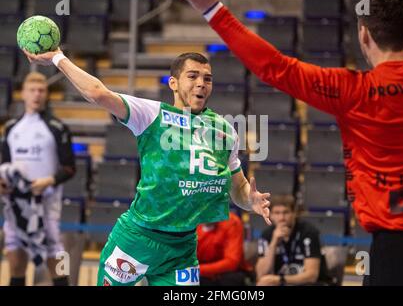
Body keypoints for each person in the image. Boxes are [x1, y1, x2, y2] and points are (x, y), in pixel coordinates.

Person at [178, 0, 403, 285]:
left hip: (396, 246)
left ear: (364, 35)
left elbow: (274, 68)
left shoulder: (353, 90)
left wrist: (213, 9)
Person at [23, 50, 271, 286]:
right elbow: (97, 92)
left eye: (207, 78)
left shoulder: (225, 129)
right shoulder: (152, 114)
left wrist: (250, 201)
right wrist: (58, 57)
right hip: (138, 238)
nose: (201, 83)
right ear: (173, 83)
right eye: (192, 76)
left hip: (182, 248)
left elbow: (237, 187)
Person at [0, 72, 76, 286]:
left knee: (55, 250)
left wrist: (48, 181)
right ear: (23, 93)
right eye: (32, 90)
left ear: (47, 95)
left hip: (46, 203)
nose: (36, 94)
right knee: (14, 254)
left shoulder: (57, 128)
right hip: (15, 204)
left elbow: (70, 169)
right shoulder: (11, 128)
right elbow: (4, 166)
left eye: (41, 90)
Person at [256, 195, 331, 286]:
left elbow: (311, 276)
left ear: (294, 213)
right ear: (270, 215)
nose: (281, 218)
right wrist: (274, 243)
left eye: (286, 212)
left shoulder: (309, 233)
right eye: (277, 213)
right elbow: (261, 274)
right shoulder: (266, 235)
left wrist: (280, 280)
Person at [197, 211, 252, 286]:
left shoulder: (231, 221)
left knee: (230, 279)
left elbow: (232, 262)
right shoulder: (191, 223)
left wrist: (197, 270)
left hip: (230, 273)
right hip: (202, 273)